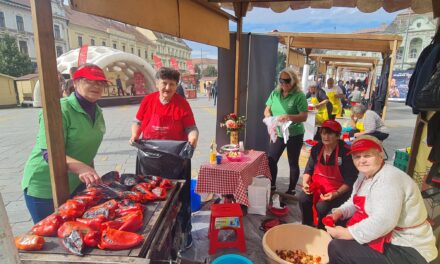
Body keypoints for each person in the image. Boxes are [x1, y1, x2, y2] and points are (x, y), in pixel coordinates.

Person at [325, 136, 438, 264]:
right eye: (357, 157)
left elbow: (384, 221)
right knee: (338, 227)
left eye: (367, 156)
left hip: (407, 246)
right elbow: (353, 202)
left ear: (380, 155)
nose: (361, 161)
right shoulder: (363, 176)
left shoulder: (389, 179)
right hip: (387, 234)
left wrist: (347, 233)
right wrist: (338, 212)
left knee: (337, 247)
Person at [22, 64, 108, 223]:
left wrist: (91, 174)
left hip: (76, 182)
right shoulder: (59, 109)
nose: (97, 86)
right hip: (45, 185)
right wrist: (82, 167)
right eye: (90, 81)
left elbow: (87, 148)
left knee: (75, 228)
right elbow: (48, 153)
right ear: (75, 83)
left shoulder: (97, 110)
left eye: (101, 83)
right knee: (50, 238)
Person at [129, 67, 199, 250]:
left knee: (179, 198)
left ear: (177, 86)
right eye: (164, 83)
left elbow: (192, 128)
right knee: (149, 195)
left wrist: (192, 140)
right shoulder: (148, 100)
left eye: (172, 84)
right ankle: (151, 236)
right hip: (150, 158)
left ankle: (183, 234)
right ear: (157, 82)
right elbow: (137, 122)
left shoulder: (182, 104)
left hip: (175, 159)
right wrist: (135, 135)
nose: (167, 88)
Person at [299, 120, 358, 229]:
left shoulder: (345, 152)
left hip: (339, 190)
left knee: (322, 206)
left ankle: (322, 230)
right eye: (323, 133)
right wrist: (305, 182)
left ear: (337, 136)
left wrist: (335, 194)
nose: (326, 136)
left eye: (330, 133)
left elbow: (350, 180)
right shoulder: (317, 148)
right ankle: (306, 226)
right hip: (318, 187)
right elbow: (309, 169)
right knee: (303, 198)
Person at [264, 67, 308, 195]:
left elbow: (304, 116)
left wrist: (288, 117)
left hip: (294, 133)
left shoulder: (299, 96)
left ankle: (292, 189)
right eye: (281, 80)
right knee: (271, 159)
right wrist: (268, 117)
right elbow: (267, 109)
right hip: (278, 133)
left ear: (293, 81)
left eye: (287, 81)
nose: (283, 84)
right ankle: (272, 186)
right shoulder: (275, 93)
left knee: (293, 162)